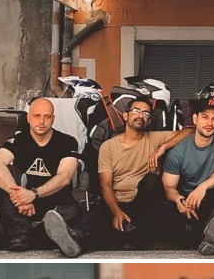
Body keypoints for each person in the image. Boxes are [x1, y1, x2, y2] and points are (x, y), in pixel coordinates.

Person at [43, 97, 192, 257]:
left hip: (144, 203)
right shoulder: (108, 146)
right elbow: (105, 185)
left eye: (146, 113)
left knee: (153, 182)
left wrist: (162, 147)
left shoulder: (155, 138)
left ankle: (129, 234)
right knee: (93, 218)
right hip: (116, 201)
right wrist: (116, 211)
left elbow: (190, 130)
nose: (141, 115)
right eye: (136, 110)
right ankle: (74, 239)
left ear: (149, 121)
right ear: (126, 116)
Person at [0, 98, 79, 252]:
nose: (41, 121)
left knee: (72, 213)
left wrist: (34, 194)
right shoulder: (17, 141)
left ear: (53, 119)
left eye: (47, 116)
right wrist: (19, 197)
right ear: (29, 118)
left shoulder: (67, 142)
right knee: (4, 177)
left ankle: (21, 237)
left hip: (56, 204)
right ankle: (35, 236)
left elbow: (64, 177)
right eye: (36, 116)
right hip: (23, 207)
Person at [161, 97, 214, 255]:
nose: (209, 123)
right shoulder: (178, 151)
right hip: (188, 202)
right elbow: (169, 187)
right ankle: (209, 235)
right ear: (195, 119)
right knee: (165, 209)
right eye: (205, 117)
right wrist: (179, 199)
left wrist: (203, 187)